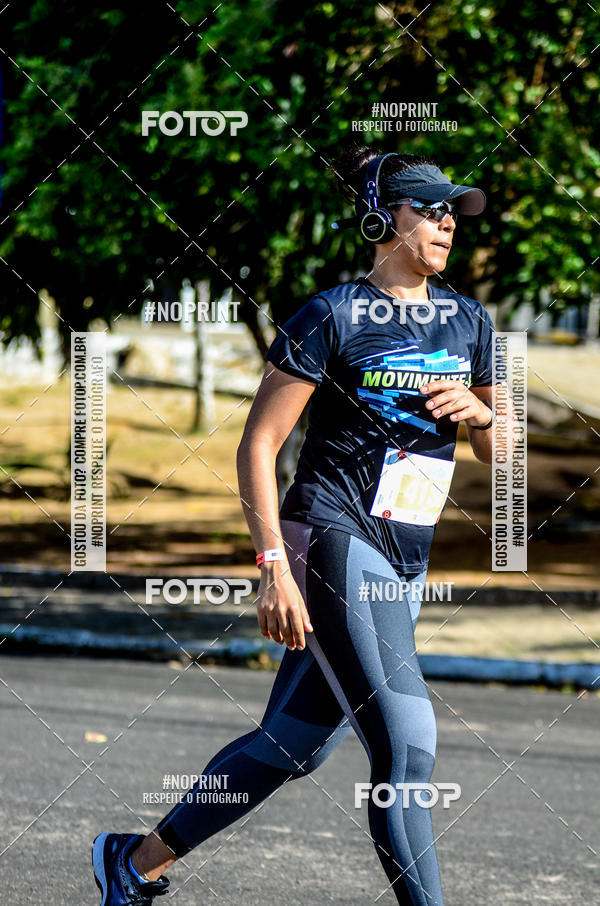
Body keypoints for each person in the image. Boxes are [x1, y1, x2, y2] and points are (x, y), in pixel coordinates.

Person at [92, 144, 497, 906]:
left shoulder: (471, 322)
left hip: (406, 558)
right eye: (431, 208)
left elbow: (498, 446)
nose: (448, 223)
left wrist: (484, 417)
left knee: (291, 748)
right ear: (381, 218)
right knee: (409, 747)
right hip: (333, 538)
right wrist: (273, 564)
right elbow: (259, 444)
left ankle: (131, 862)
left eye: (454, 212)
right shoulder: (332, 313)